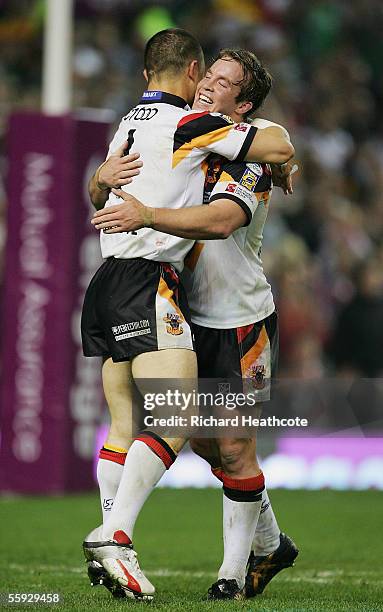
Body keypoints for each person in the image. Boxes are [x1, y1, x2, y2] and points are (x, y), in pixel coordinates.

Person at [88, 46, 296, 601]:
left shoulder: (249, 149)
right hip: (175, 307)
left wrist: (149, 215)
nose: (207, 85)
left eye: (224, 83)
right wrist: (100, 178)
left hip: (237, 321)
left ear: (244, 103)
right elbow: (119, 178)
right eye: (209, 75)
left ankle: (231, 575)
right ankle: (270, 542)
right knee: (198, 443)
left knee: (231, 447)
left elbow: (224, 220)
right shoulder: (188, 131)